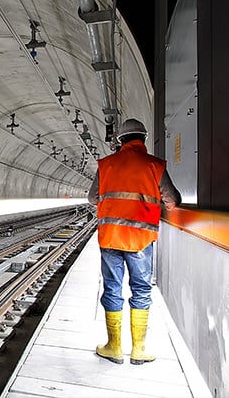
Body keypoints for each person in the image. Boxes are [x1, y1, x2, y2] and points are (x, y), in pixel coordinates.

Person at [87, 118, 181, 365]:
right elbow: (172, 200)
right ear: (144, 138)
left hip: (110, 238)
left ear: (120, 140)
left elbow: (91, 197)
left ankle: (113, 347)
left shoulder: (106, 165)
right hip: (140, 239)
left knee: (112, 287)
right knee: (140, 289)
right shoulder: (155, 165)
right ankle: (138, 349)